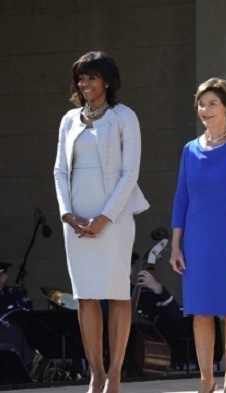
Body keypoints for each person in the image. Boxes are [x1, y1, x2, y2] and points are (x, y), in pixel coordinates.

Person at [53, 50, 150, 393]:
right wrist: (68, 213)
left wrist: (105, 217)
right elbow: (60, 171)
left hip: (115, 219)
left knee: (118, 295)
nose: (85, 83)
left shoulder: (125, 117)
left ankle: (115, 374)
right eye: (81, 77)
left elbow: (130, 172)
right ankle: (95, 374)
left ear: (107, 81)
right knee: (86, 296)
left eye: (91, 77)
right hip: (76, 223)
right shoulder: (69, 120)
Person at [170, 77, 226, 393]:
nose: (204, 109)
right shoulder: (189, 151)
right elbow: (181, 198)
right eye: (201, 103)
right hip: (197, 243)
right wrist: (176, 245)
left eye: (212, 103)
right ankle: (206, 379)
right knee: (201, 311)